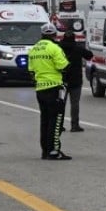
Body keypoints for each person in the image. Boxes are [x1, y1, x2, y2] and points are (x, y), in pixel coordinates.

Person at [27, 23, 70, 160]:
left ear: (42, 34)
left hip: (40, 89)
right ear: (55, 35)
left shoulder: (34, 49)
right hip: (54, 87)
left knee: (44, 120)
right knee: (56, 120)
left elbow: (31, 71)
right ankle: (54, 150)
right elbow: (63, 66)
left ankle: (45, 150)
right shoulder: (55, 48)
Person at [58, 28, 92, 132]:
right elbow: (89, 55)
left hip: (61, 79)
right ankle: (74, 125)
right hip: (75, 80)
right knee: (75, 103)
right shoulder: (78, 48)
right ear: (74, 38)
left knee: (61, 104)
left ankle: (59, 125)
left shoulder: (58, 48)